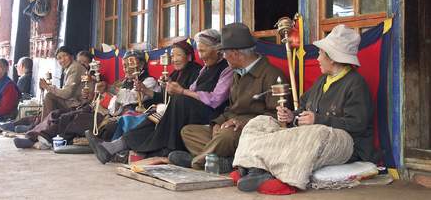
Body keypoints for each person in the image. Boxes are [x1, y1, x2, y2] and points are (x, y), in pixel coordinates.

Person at [232, 25, 375, 192]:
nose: (318, 59)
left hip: (348, 145)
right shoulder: (322, 81)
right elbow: (303, 109)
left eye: (321, 54)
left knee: (315, 132)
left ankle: (286, 178)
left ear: (333, 58)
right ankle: (251, 166)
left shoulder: (356, 84)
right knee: (260, 122)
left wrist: (318, 120)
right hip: (312, 134)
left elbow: (358, 124)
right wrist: (292, 116)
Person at [87, 34, 233, 163]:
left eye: (203, 51)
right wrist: (165, 89)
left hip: (210, 114)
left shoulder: (224, 69)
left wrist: (181, 91)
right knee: (154, 116)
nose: (201, 56)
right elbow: (186, 92)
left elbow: (215, 100)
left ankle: (165, 149)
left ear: (218, 50)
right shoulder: (203, 70)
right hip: (183, 109)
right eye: (172, 56)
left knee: (177, 102)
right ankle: (114, 146)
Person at [170, 23, 287, 173]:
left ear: (236, 54)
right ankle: (226, 161)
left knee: (226, 136)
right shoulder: (238, 73)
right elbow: (230, 109)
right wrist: (217, 123)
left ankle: (198, 161)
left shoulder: (271, 75)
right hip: (230, 127)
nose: (223, 57)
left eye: (224, 53)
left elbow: (275, 116)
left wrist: (242, 122)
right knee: (189, 132)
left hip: (252, 131)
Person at [39, 46, 86, 120]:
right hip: (71, 101)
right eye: (59, 58)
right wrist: (47, 87)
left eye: (65, 56)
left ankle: (44, 127)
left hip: (78, 104)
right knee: (51, 97)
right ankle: (40, 125)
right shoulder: (69, 68)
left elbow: (67, 94)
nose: (62, 60)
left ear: (71, 56)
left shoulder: (75, 68)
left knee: (49, 96)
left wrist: (47, 87)